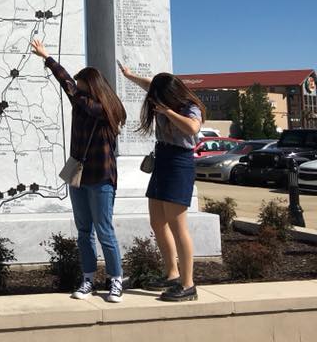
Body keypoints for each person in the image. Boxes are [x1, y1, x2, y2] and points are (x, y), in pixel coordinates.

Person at [32, 40, 127, 303]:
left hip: (102, 176)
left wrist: (49, 59)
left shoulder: (106, 110)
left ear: (91, 85)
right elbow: (68, 84)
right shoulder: (82, 103)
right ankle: (87, 278)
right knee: (84, 230)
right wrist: (48, 58)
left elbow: (69, 86)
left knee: (104, 229)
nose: (77, 89)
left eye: (81, 85)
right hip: (79, 175)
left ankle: (115, 280)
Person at [118, 63, 205, 302]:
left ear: (170, 95)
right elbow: (149, 84)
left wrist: (168, 113)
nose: (152, 98)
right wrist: (129, 76)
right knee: (157, 222)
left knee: (178, 227)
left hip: (179, 164)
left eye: (158, 95)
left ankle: (188, 285)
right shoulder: (161, 96)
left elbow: (192, 128)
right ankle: (171, 274)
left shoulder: (190, 107)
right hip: (162, 161)